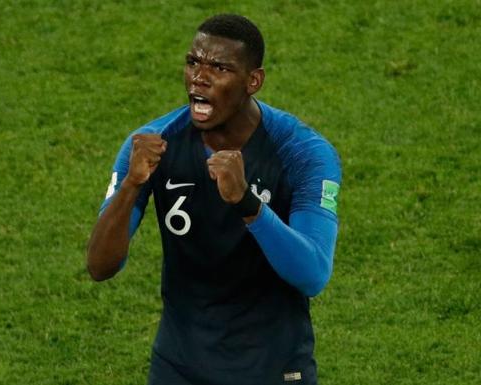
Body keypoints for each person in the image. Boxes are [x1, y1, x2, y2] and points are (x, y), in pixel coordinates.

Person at [87, 14, 341, 385]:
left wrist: (247, 204)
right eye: (193, 63)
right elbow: (99, 266)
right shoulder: (152, 144)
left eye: (219, 68)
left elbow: (312, 274)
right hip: (179, 369)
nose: (199, 78)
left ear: (253, 81)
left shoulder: (302, 152)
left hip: (272, 371)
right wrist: (131, 186)